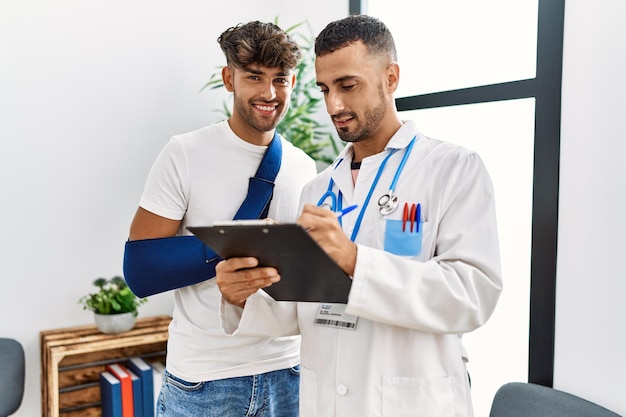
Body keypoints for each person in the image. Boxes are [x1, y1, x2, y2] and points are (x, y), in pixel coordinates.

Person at [216, 14, 503, 417]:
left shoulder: (453, 169)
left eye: (348, 86)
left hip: (412, 402)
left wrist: (354, 259)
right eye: (324, 89)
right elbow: (302, 311)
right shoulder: (317, 191)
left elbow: (472, 297)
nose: (334, 105)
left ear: (391, 77)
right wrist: (241, 295)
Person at [124, 21, 317, 417]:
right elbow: (141, 270)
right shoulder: (183, 154)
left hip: (288, 369)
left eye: (280, 79)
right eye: (254, 77)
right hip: (203, 378)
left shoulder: (304, 166)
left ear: (293, 82)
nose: (269, 93)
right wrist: (240, 244)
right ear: (229, 79)